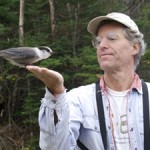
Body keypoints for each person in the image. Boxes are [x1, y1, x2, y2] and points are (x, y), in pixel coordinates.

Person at [26, 12, 150, 150]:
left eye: (112, 38)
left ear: (135, 47)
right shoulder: (77, 99)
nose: (102, 45)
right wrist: (56, 93)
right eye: (98, 41)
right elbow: (55, 148)